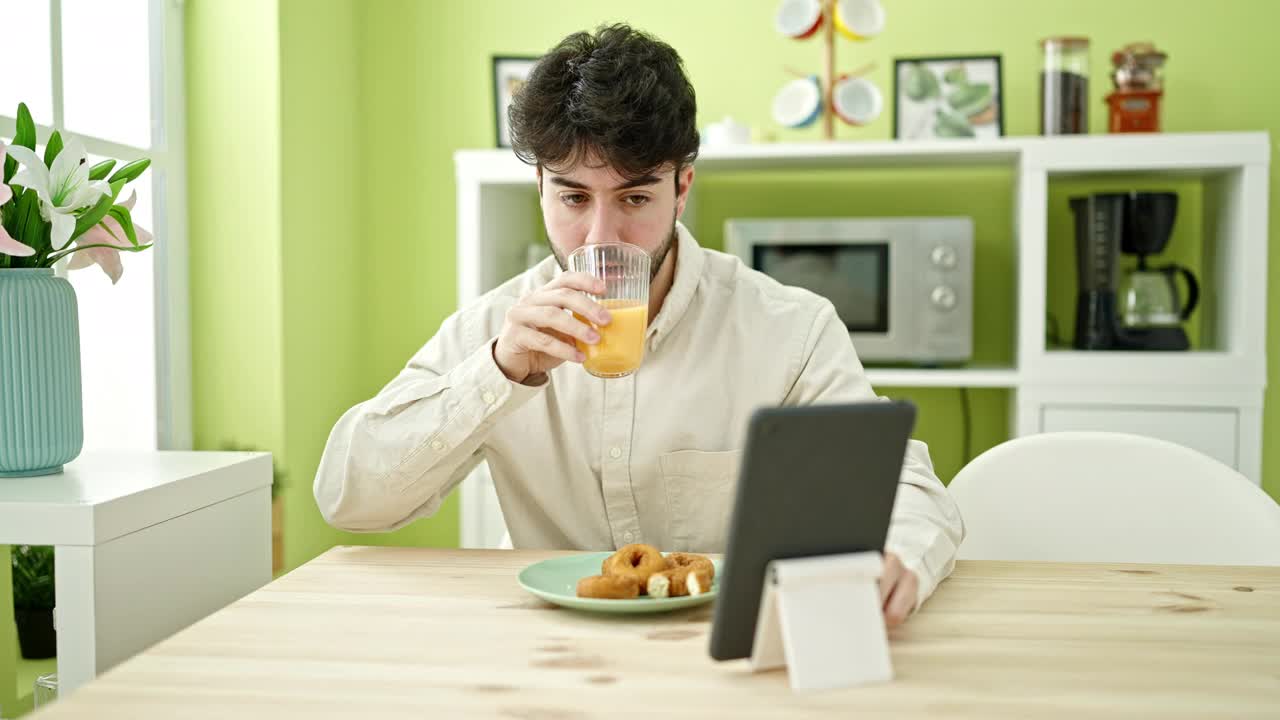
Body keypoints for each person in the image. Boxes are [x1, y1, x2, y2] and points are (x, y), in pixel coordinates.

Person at [314, 24, 963, 627]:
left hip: (716, 648)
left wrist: (897, 557)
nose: (600, 237)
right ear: (539, 185)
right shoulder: (497, 328)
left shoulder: (787, 329)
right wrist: (498, 372)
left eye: (634, 198)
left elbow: (906, 485)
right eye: (572, 197)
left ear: (682, 187)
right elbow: (349, 496)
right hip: (549, 654)